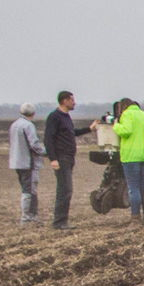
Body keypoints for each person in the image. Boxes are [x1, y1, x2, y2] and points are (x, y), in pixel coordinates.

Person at [43, 90, 97, 230]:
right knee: (65, 189)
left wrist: (89, 129)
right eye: (72, 100)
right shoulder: (55, 117)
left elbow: (72, 133)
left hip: (69, 158)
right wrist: (53, 159)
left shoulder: (66, 117)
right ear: (65, 101)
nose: (74, 103)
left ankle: (61, 221)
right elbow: (48, 139)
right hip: (61, 158)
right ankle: (59, 222)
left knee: (66, 189)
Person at [112, 97, 144, 223]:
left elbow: (126, 131)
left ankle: (135, 217)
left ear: (122, 107)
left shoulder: (127, 114)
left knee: (133, 187)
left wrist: (116, 126)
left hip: (131, 156)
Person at [8, 103, 45, 224]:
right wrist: (46, 152)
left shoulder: (14, 125)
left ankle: (29, 216)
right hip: (28, 162)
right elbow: (34, 145)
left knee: (26, 189)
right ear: (33, 113)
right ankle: (27, 218)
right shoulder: (28, 125)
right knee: (29, 190)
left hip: (17, 162)